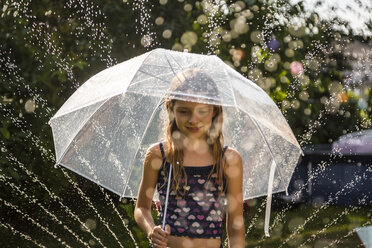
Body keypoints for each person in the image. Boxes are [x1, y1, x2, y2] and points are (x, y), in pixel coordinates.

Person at [134, 69, 245, 248]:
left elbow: (235, 224)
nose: (194, 119)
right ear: (170, 108)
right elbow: (141, 208)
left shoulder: (228, 159)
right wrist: (151, 230)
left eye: (202, 111)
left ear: (214, 111)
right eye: (184, 111)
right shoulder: (160, 154)